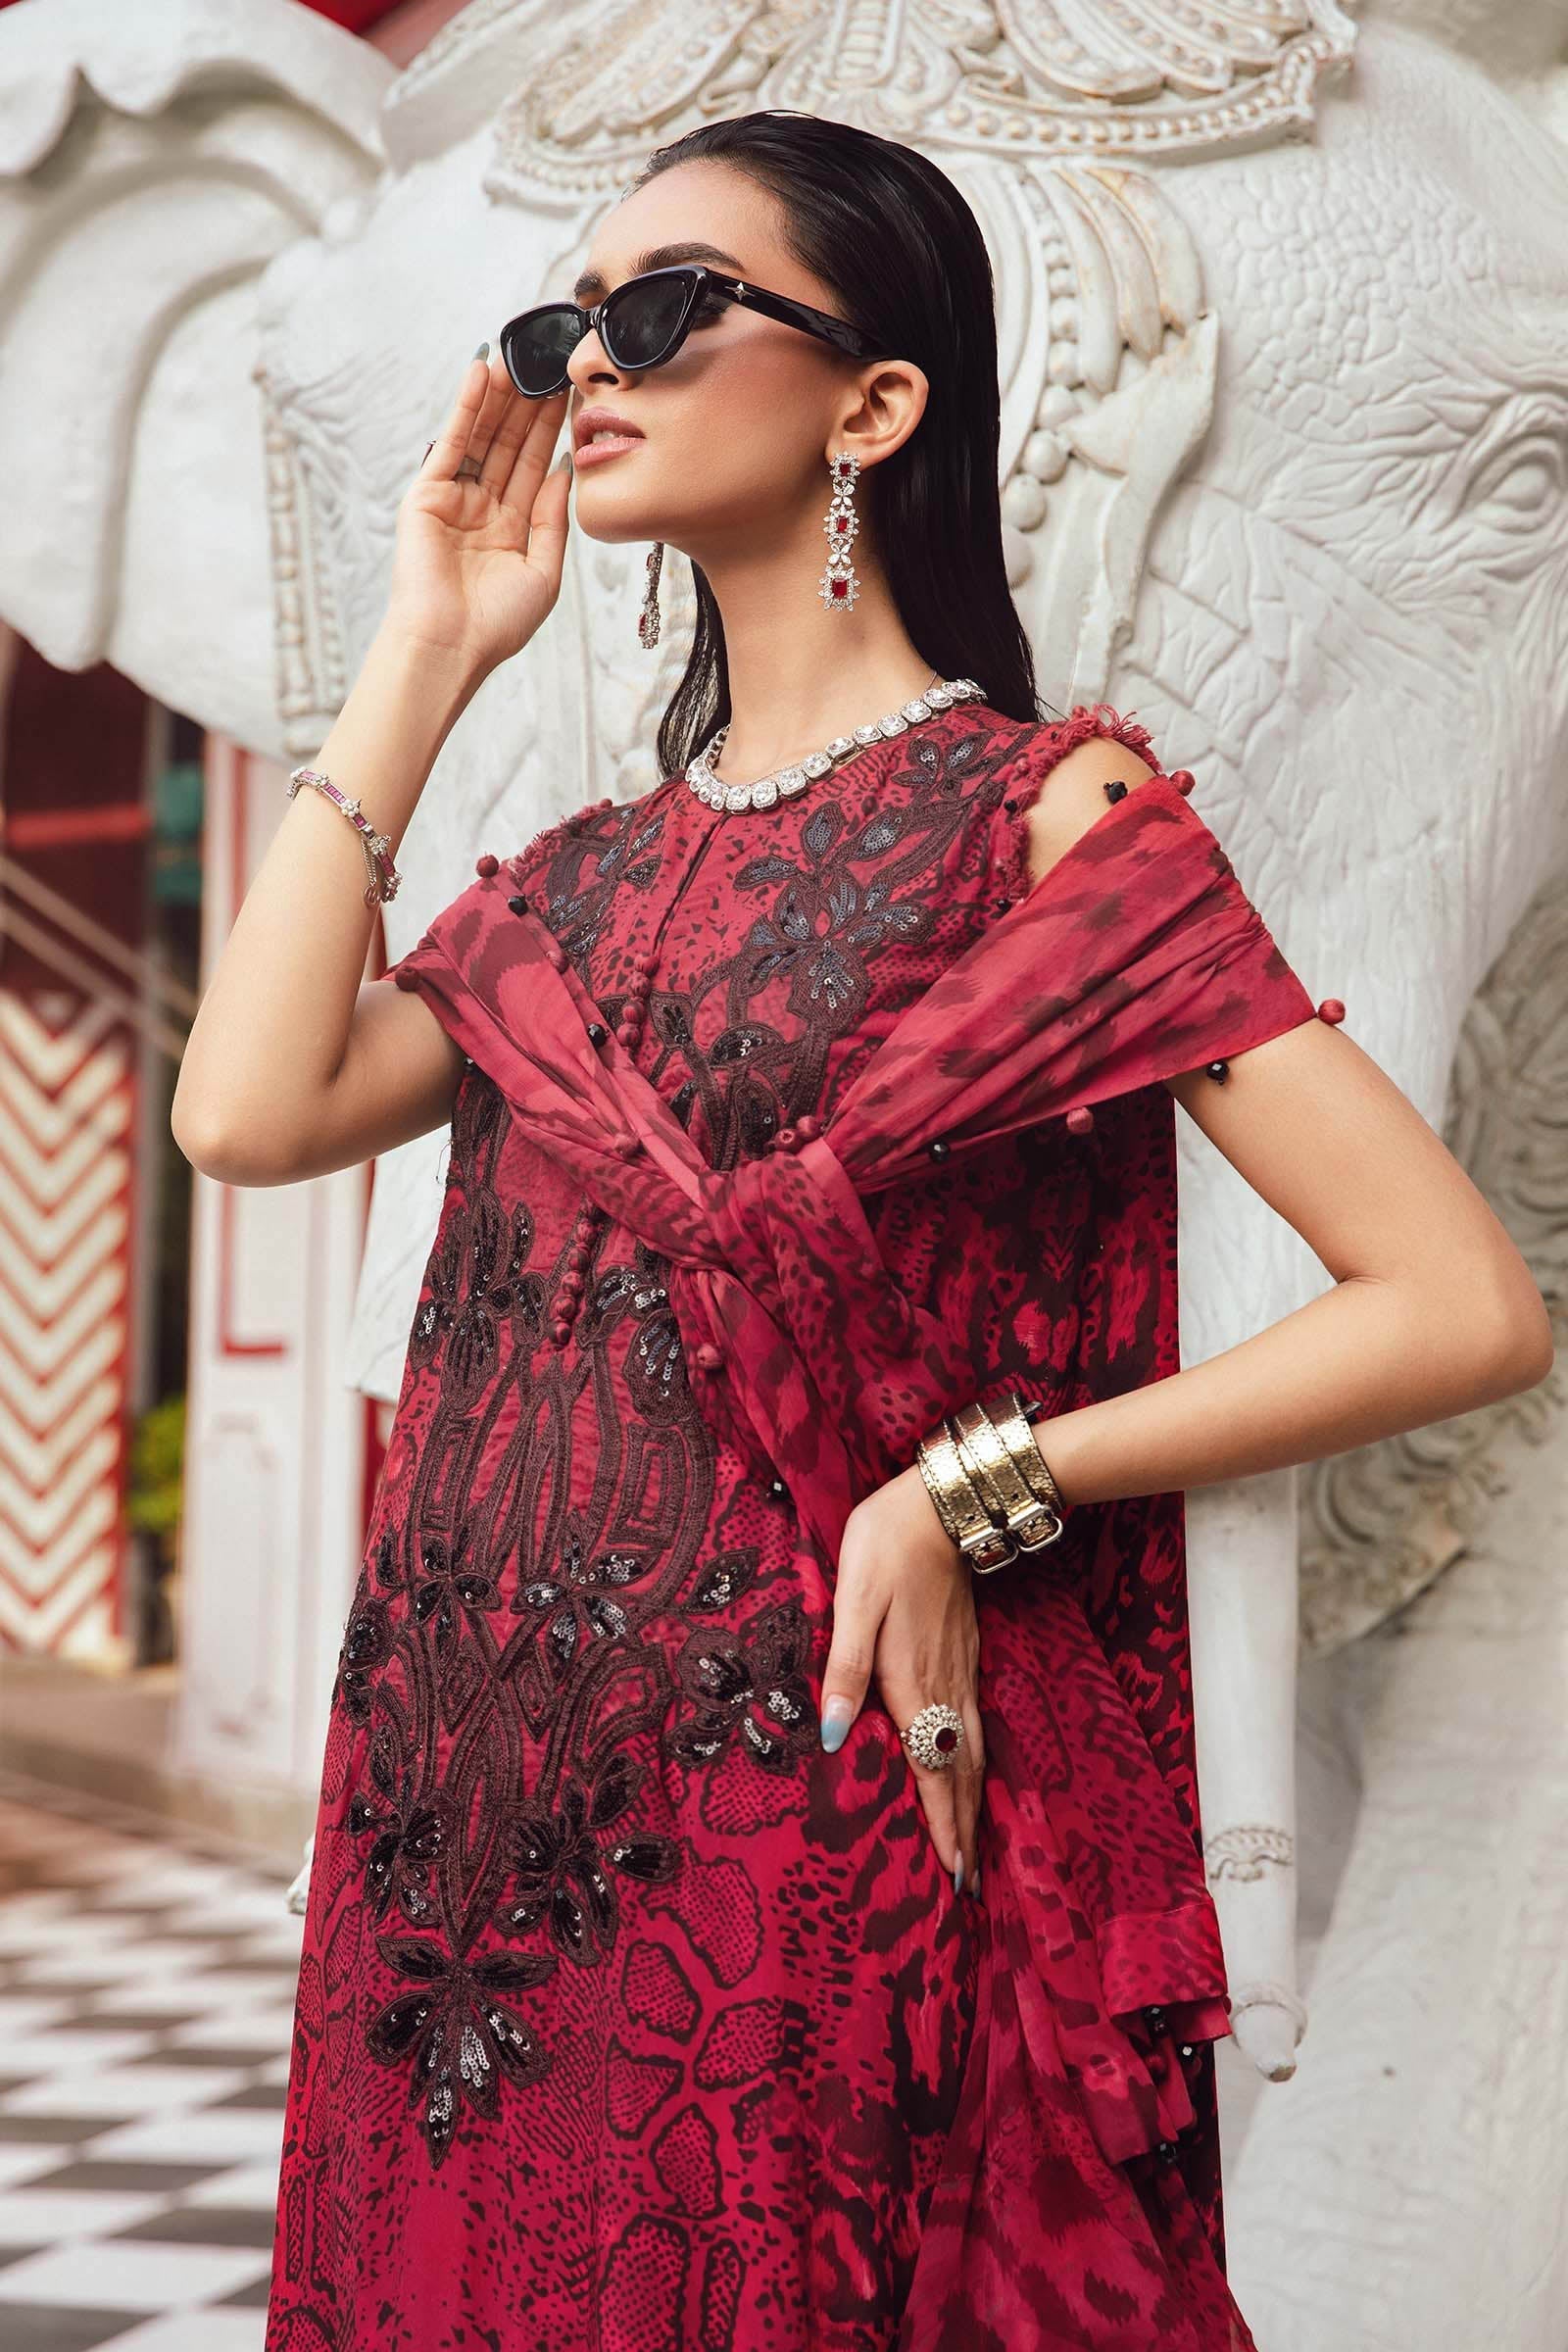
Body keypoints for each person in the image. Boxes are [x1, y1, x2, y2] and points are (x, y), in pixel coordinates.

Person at [172, 109, 1551, 2352]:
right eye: (564, 327)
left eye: (662, 311)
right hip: (465, 1838)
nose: (584, 369)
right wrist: (427, 645)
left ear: (873, 399)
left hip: (797, 1817)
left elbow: (1452, 1302)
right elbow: (242, 1112)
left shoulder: (1042, 820)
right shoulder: (568, 886)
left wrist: (978, 1483)